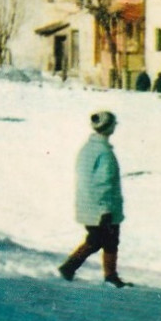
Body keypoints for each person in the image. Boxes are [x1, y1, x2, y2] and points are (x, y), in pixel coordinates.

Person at [59, 110, 128, 288]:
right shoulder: (104, 152)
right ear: (108, 126)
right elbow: (104, 183)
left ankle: (73, 268)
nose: (115, 126)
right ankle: (106, 275)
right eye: (113, 123)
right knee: (105, 241)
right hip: (102, 207)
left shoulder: (87, 148)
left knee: (98, 240)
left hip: (88, 203)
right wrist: (105, 209)